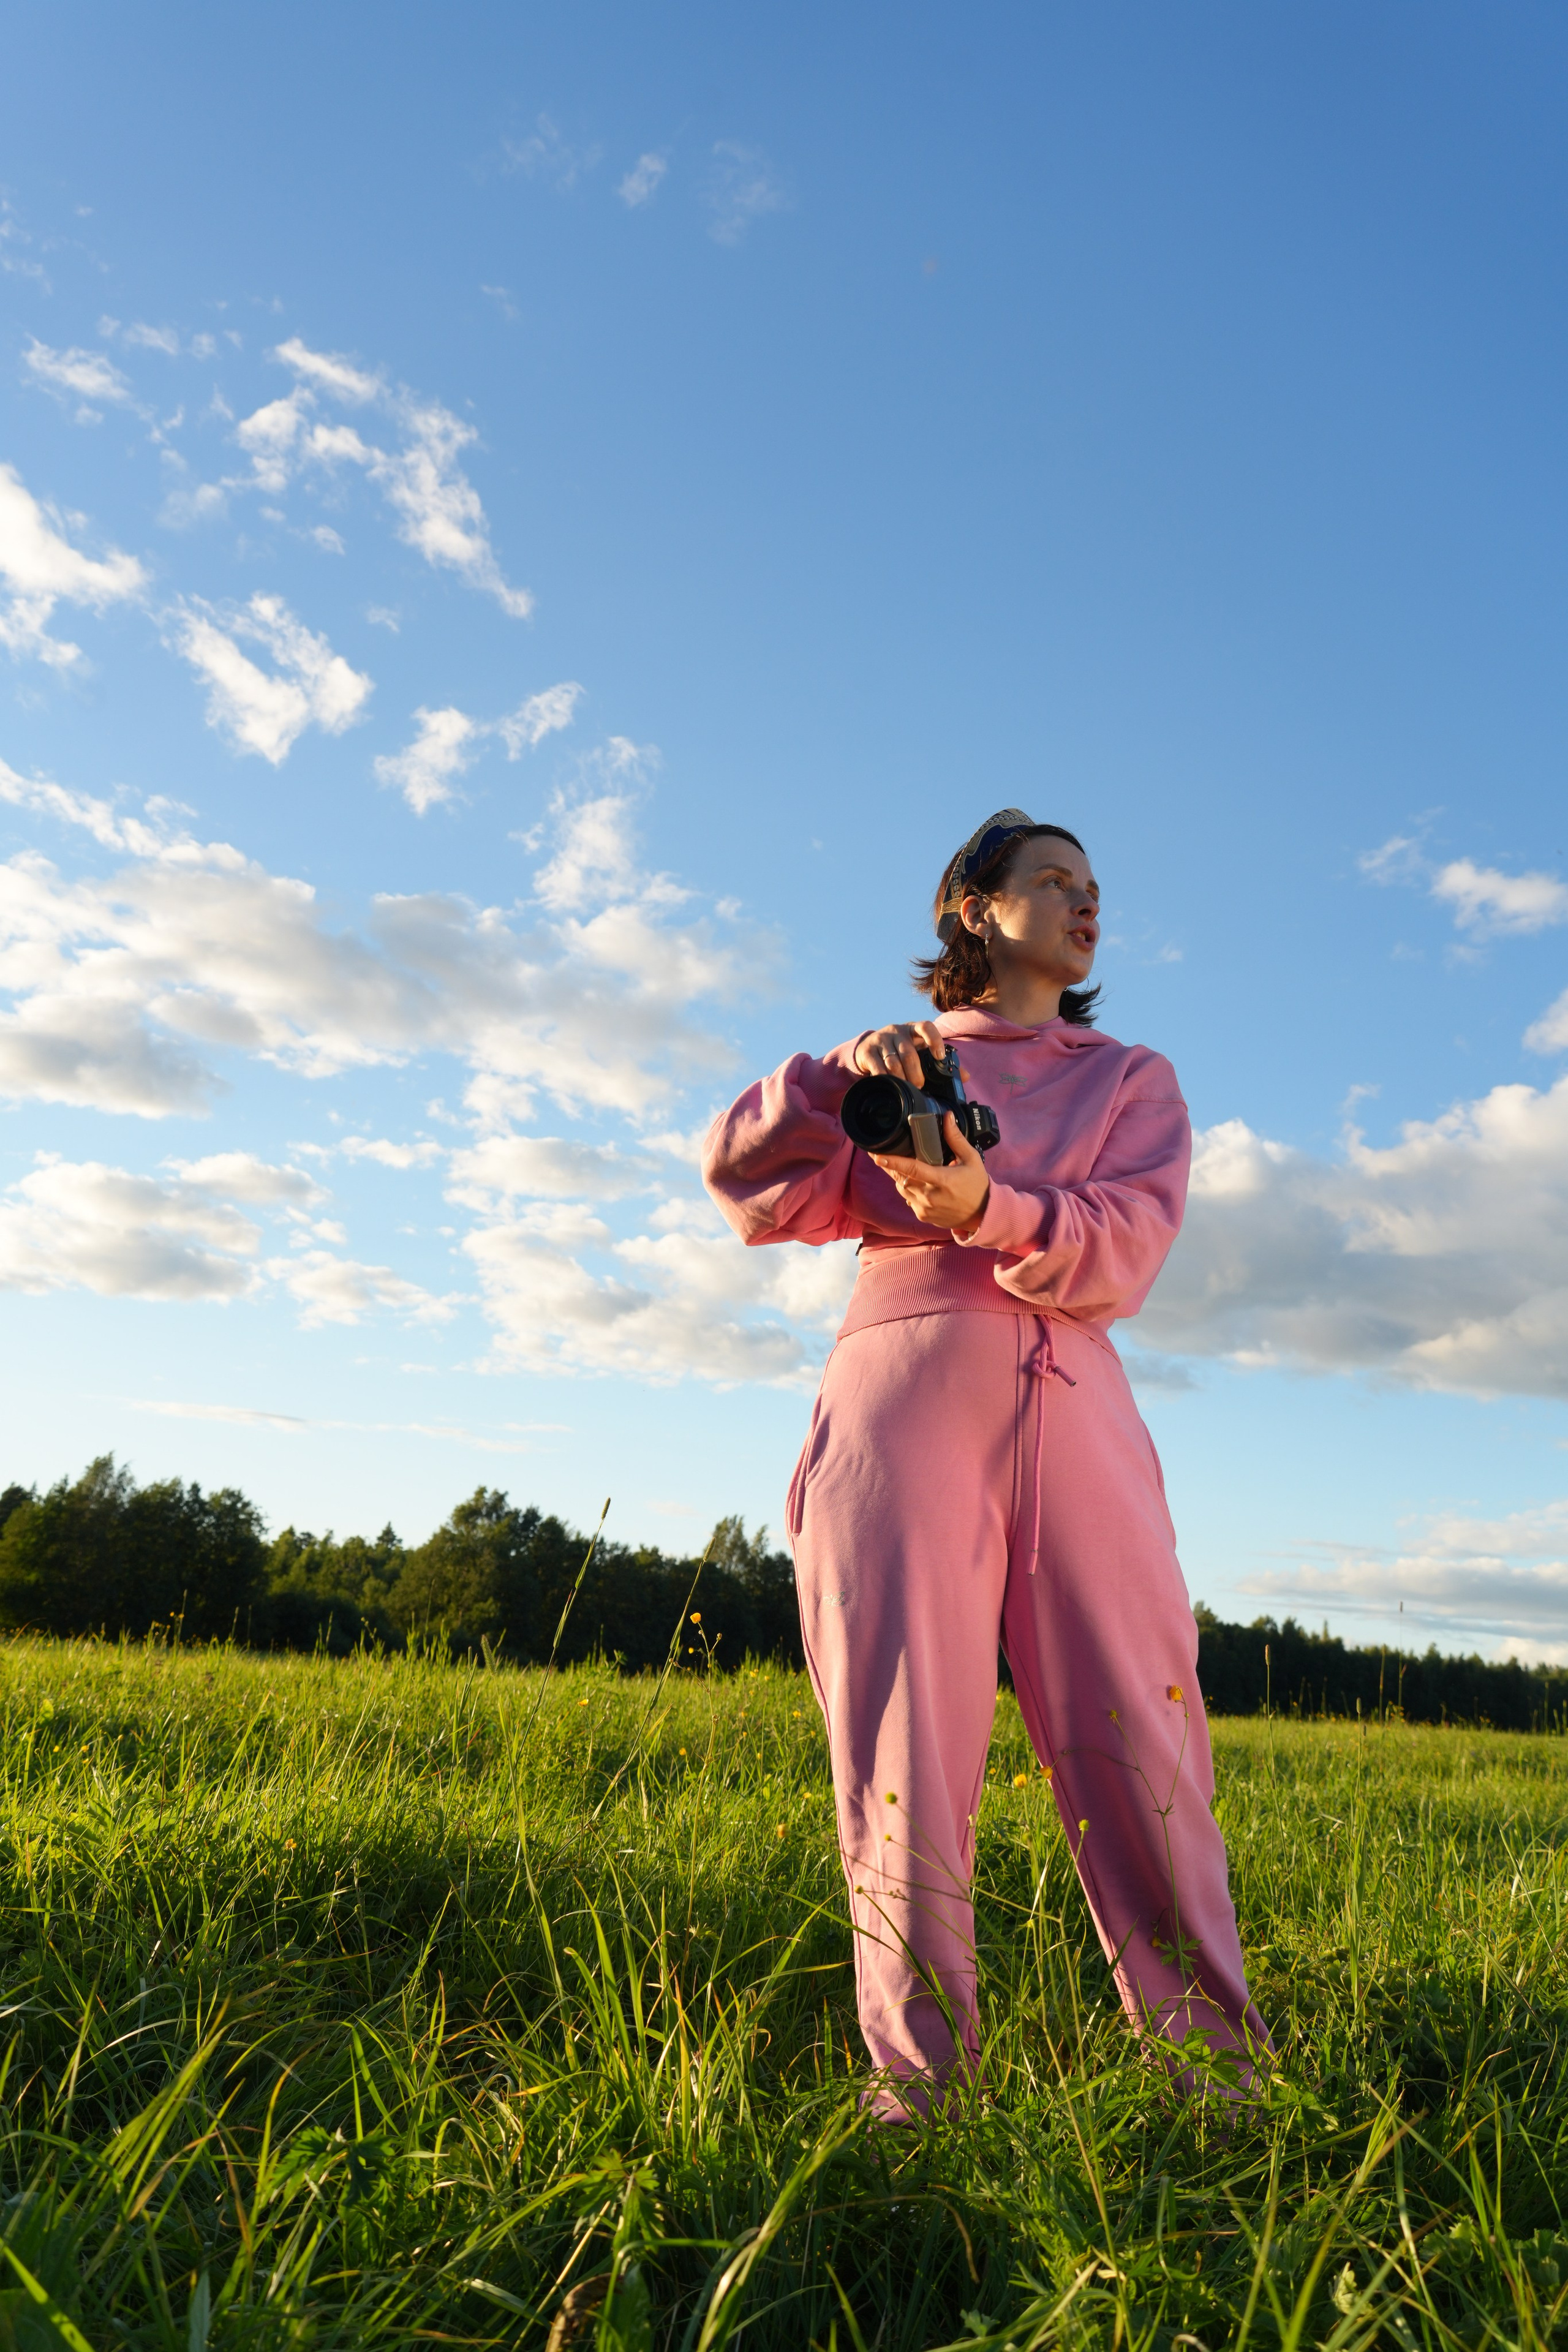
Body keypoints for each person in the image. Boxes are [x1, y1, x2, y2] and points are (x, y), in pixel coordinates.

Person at [702, 809, 1270, 2120]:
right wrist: (836, 1076)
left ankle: (1217, 2087)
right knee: (903, 1744)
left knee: (1143, 1732)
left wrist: (984, 1206)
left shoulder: (1130, 1077)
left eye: (1091, 891)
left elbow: (1122, 1250)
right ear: (969, 907)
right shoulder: (880, 1070)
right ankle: (919, 2099)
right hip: (902, 1394)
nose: (1083, 908)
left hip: (1074, 1401)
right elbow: (742, 1183)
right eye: (1050, 883)